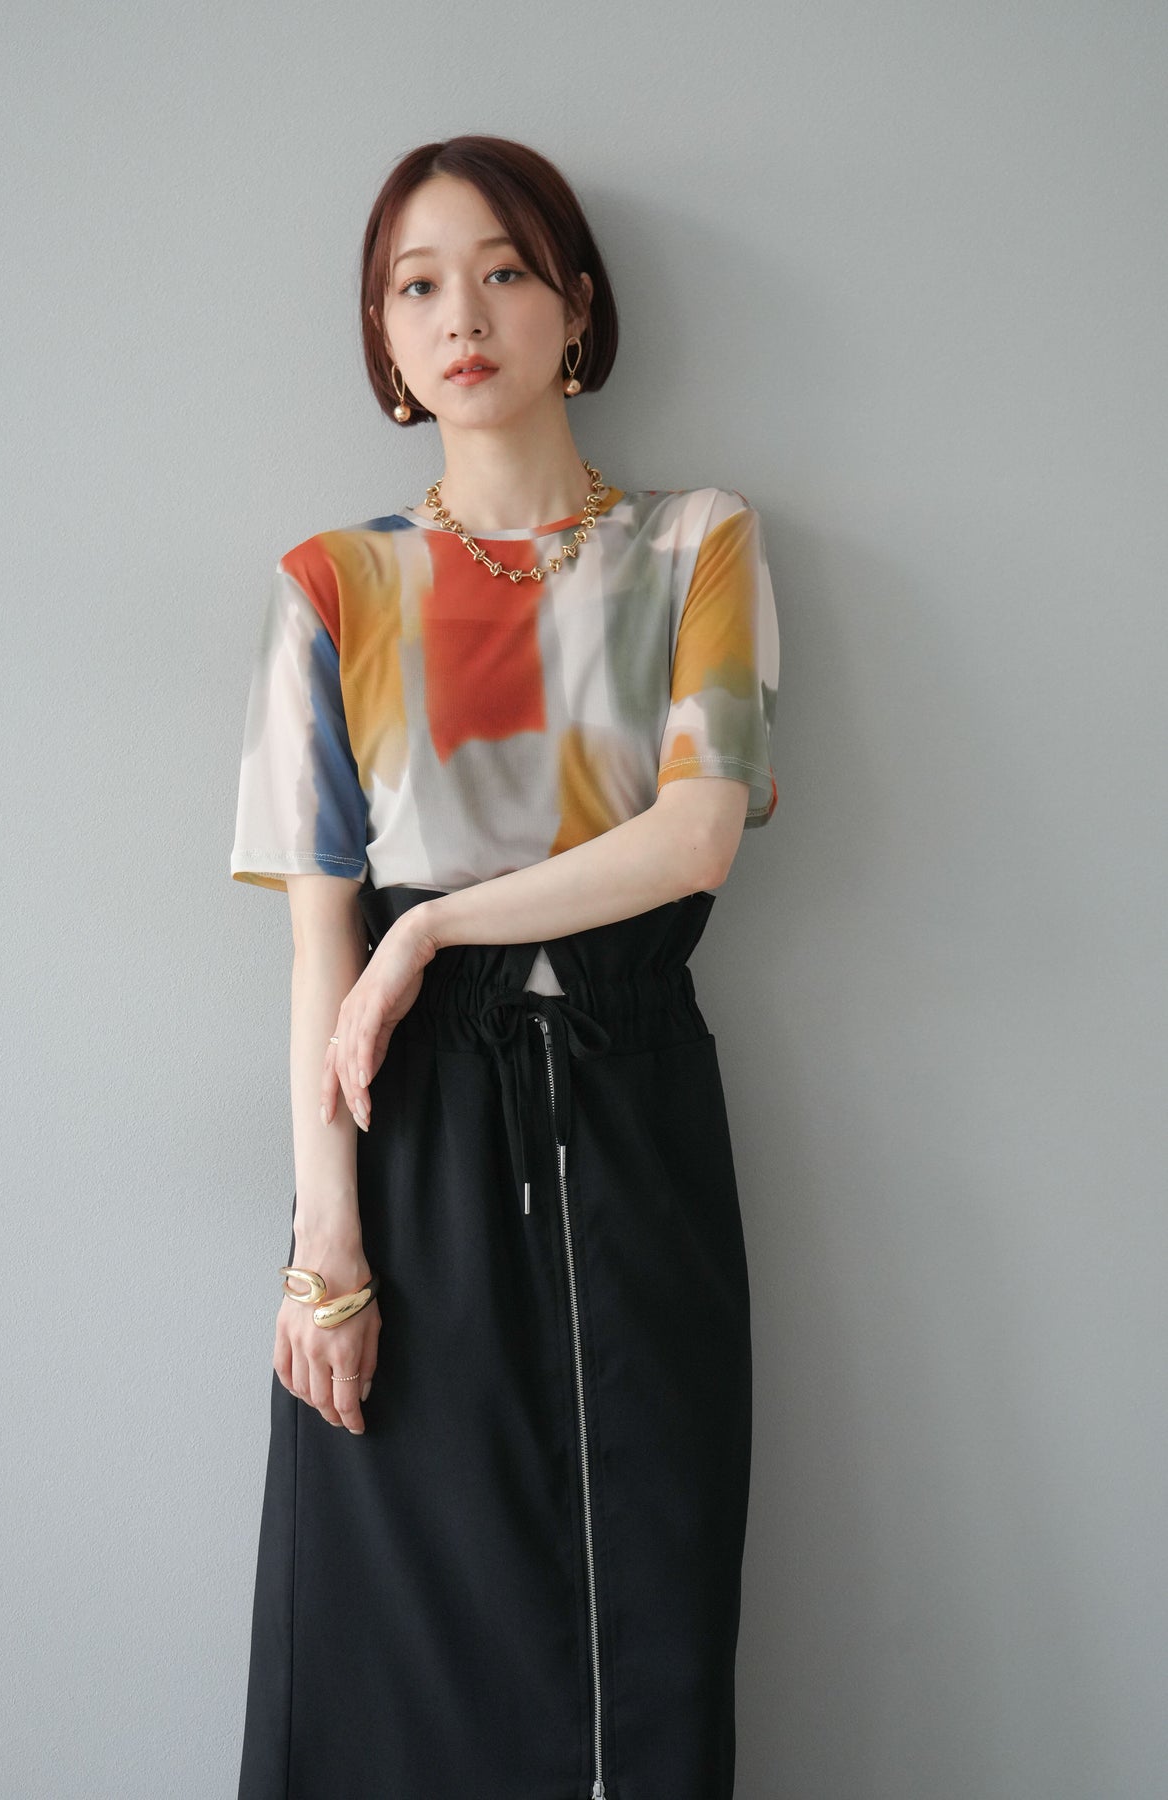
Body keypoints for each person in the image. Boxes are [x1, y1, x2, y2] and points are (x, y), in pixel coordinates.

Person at [229, 133, 780, 1800]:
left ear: (575, 308)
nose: (459, 314)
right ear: (384, 341)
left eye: (503, 271)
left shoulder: (697, 544)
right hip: (411, 1138)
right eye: (415, 286)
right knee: (389, 1631)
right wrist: (326, 1251)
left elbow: (695, 836)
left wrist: (434, 926)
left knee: (645, 1620)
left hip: (635, 1106)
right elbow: (318, 953)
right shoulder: (334, 587)